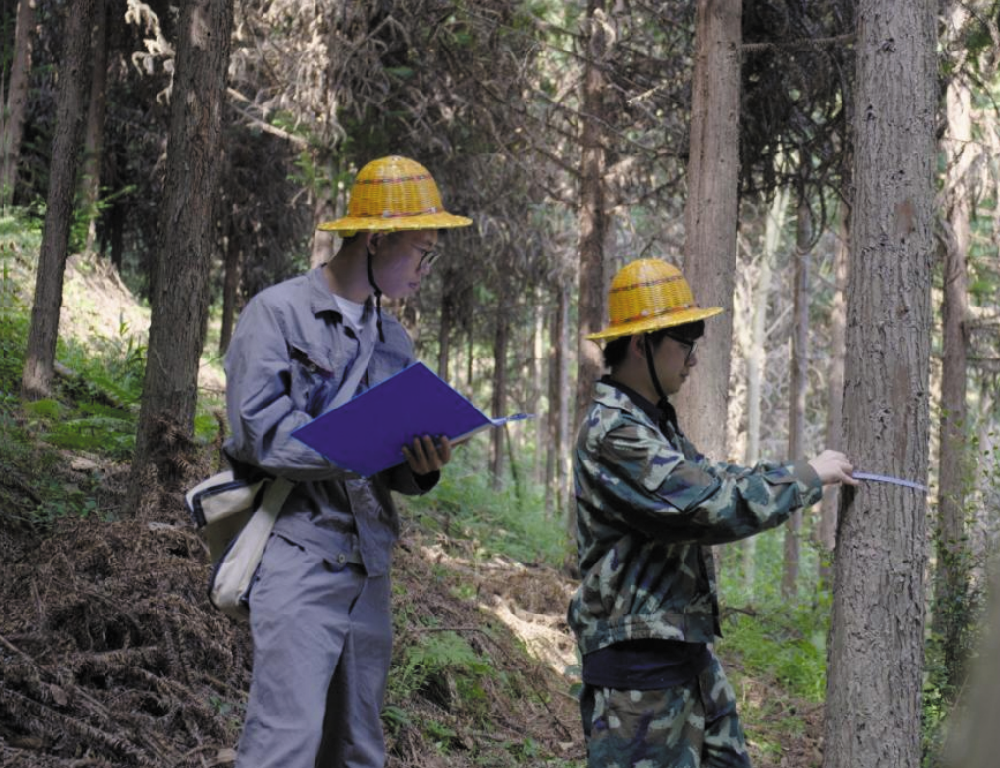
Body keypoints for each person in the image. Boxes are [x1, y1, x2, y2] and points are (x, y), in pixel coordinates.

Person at [223, 155, 472, 768]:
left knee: (359, 747)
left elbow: (390, 469)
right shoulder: (276, 313)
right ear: (375, 238)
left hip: (370, 565)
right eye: (420, 251)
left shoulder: (394, 340)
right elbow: (261, 435)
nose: (425, 269)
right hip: (299, 554)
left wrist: (421, 463)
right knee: (284, 744)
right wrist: (355, 444)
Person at [568, 258, 857, 767]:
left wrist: (801, 471)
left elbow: (715, 479)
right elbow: (707, 507)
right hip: (638, 676)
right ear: (641, 344)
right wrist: (806, 478)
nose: (693, 359)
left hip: (684, 660)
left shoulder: (653, 424)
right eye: (684, 343)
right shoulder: (615, 431)